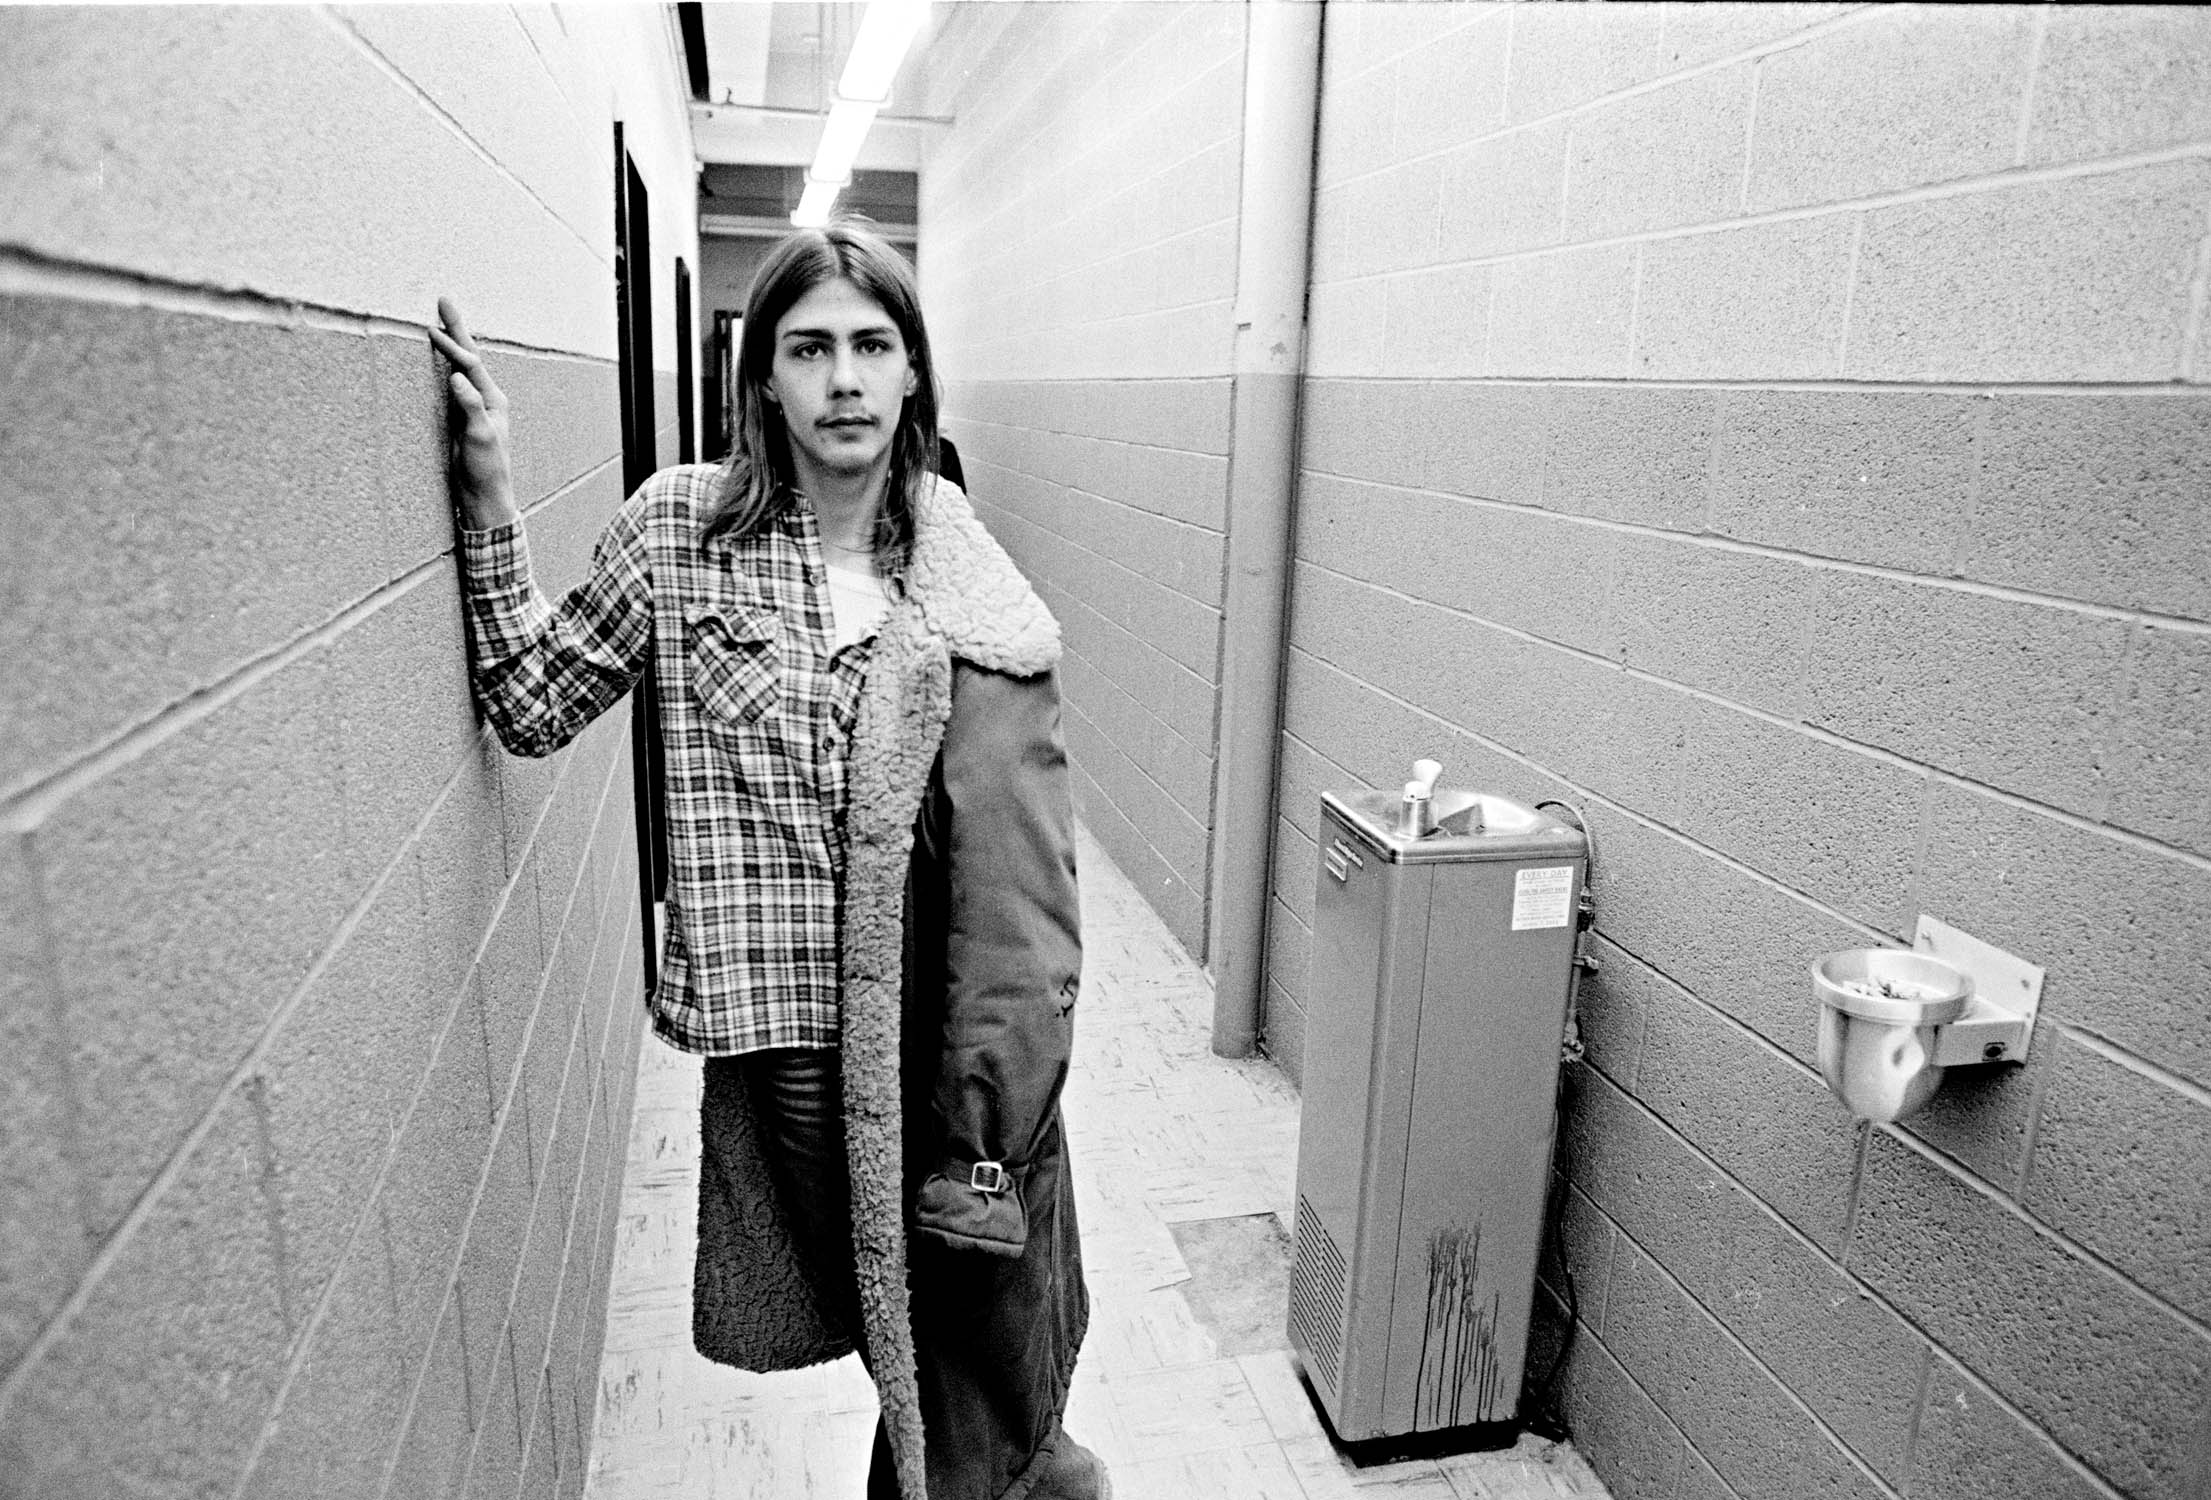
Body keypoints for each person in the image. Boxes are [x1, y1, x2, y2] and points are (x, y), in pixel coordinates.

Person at [430, 222, 1106, 1500]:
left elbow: (1016, 847)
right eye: (810, 349)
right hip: (797, 1038)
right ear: (764, 381)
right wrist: (489, 501)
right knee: (907, 1327)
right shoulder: (681, 534)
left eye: (871, 345)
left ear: (912, 376)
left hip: (945, 1026)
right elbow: (530, 701)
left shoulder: (956, 568)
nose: (844, 379)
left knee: (975, 1331)